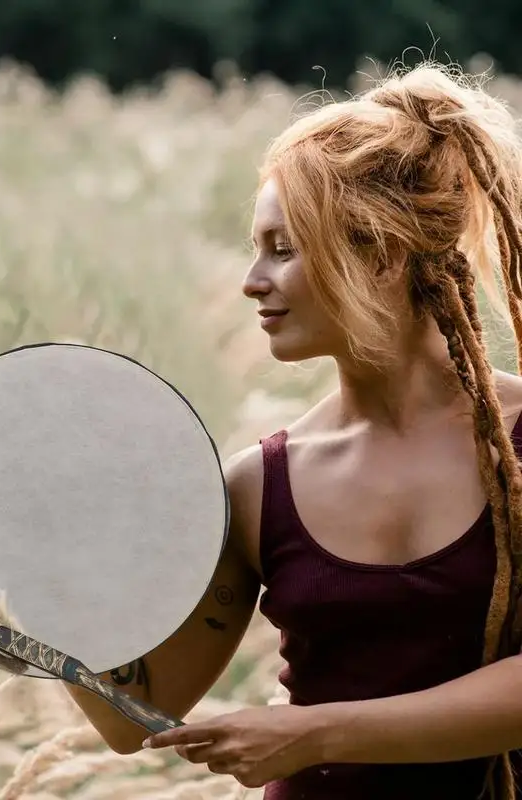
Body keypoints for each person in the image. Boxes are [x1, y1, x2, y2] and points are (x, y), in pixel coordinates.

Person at [64, 61, 522, 799]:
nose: (252, 279)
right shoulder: (259, 485)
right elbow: (130, 718)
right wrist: (63, 567)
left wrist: (316, 732)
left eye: (282, 249)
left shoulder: (519, 445)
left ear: (379, 255)